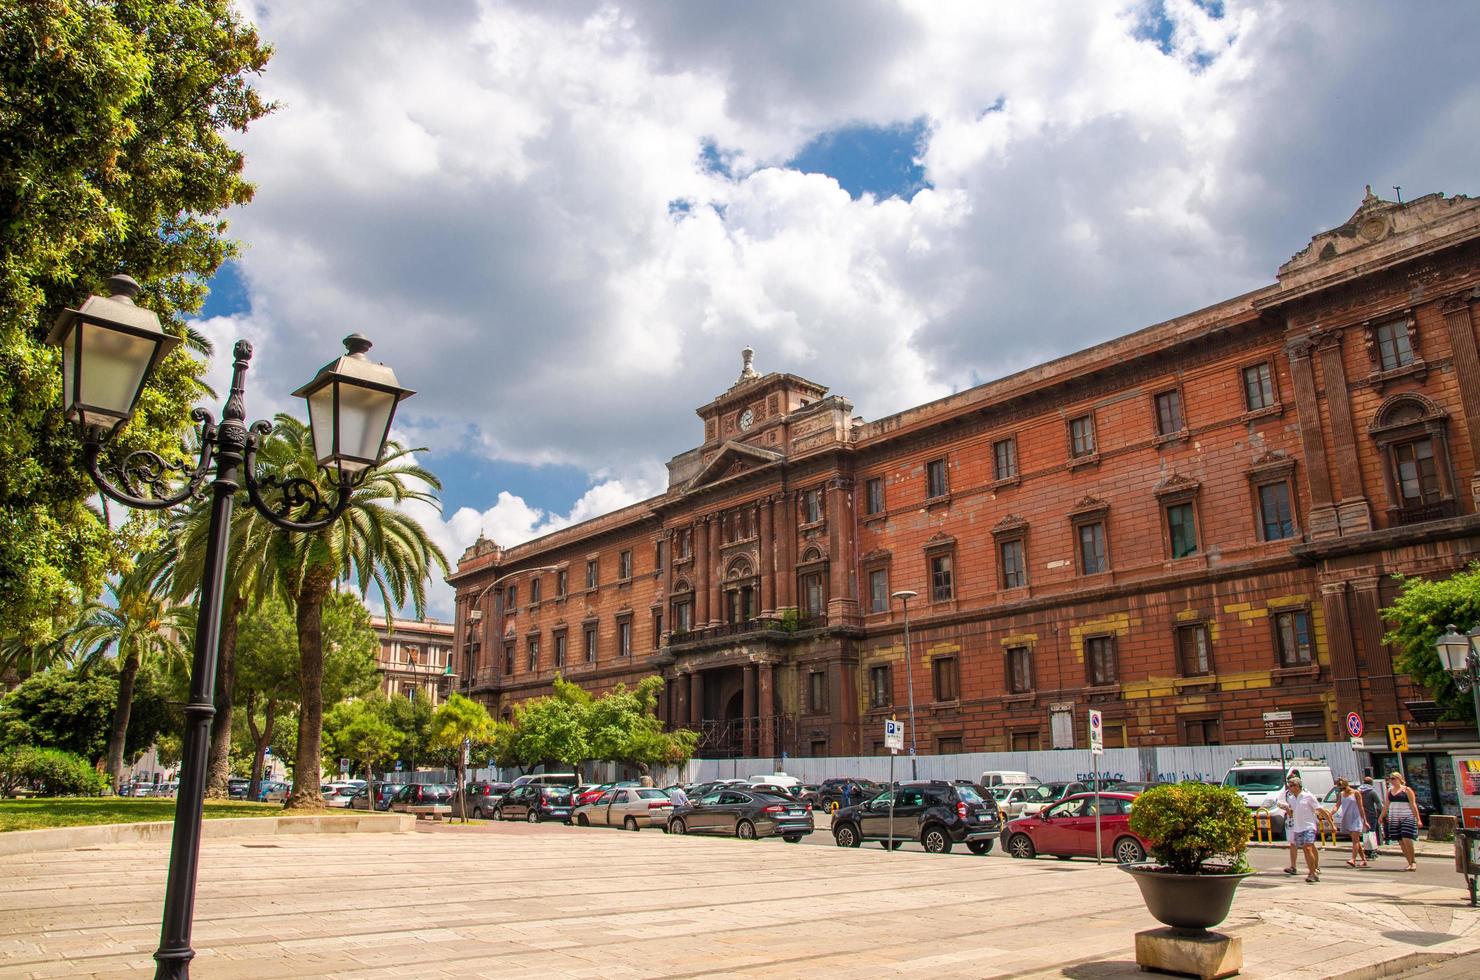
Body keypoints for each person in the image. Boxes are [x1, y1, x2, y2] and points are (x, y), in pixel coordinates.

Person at [1274, 774, 1323, 882]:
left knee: (1308, 847)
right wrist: (1285, 808)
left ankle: (1313, 870)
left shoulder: (1307, 794)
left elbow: (1319, 809)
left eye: (1291, 784)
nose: (1289, 786)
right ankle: (1303, 868)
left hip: (1309, 825)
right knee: (1301, 847)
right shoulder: (1290, 796)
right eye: (1288, 782)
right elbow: (1292, 812)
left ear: (1297, 784)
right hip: (1296, 825)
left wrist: (1330, 822)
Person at [1380, 771, 1423, 871]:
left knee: (1406, 838)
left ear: (1399, 779)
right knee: (1400, 841)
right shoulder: (1390, 790)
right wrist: (1381, 816)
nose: (1392, 781)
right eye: (1390, 779)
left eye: (1394, 778)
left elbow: (1413, 805)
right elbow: (1386, 805)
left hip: (1407, 816)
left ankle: (1413, 861)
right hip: (1394, 817)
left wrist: (1418, 819)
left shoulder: (1407, 790)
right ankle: (1409, 862)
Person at [1333, 778, 1368, 868]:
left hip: (1356, 818)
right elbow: (1337, 805)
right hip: (1347, 818)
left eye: (1343, 788)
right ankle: (1364, 859)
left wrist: (1365, 821)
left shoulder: (1356, 793)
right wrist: (1330, 813)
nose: (1342, 790)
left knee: (1355, 840)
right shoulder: (1341, 794)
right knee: (1355, 840)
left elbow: (1361, 807)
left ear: (1346, 785)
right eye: (1340, 789)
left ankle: (1353, 859)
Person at [1357, 775, 1383, 859]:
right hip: (1371, 815)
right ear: (1371, 783)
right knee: (1371, 833)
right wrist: (1384, 813)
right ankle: (1372, 851)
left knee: (1365, 833)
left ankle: (1367, 850)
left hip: (1361, 815)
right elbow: (1379, 804)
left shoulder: (1359, 792)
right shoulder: (1372, 792)